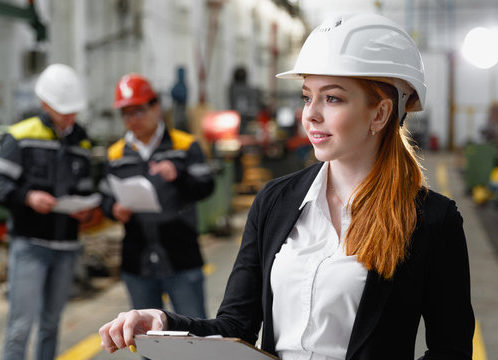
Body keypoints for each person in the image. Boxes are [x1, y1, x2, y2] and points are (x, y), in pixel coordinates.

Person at [98, 13, 475, 359]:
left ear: (379, 113)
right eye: (307, 97)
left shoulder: (431, 220)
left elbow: (451, 350)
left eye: (332, 98)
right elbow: (235, 327)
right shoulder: (274, 202)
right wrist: (165, 324)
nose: (310, 114)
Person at [0, 63, 94, 360]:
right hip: (30, 245)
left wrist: (84, 211)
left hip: (66, 247)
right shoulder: (20, 136)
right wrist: (27, 197)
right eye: (63, 110)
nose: (69, 117)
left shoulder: (81, 141)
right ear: (45, 104)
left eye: (73, 110)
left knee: (51, 324)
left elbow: (85, 189)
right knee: (20, 326)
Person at [98, 74, 214, 319]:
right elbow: (105, 196)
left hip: (181, 257)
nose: (132, 120)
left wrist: (178, 175)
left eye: (138, 111)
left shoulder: (184, 146)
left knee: (196, 336)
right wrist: (113, 209)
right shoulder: (115, 154)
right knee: (148, 340)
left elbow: (206, 186)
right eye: (126, 114)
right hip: (137, 262)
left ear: (155, 107)